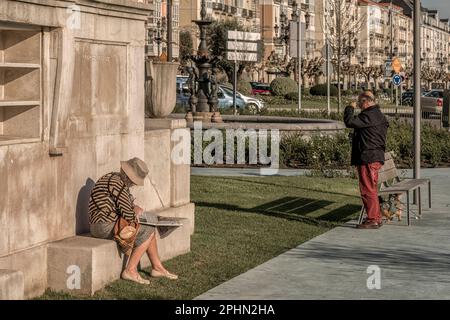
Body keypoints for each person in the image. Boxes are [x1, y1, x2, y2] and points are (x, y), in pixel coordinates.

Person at [89, 157, 178, 284]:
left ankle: (157, 268)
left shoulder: (116, 180)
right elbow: (128, 215)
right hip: (103, 226)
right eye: (133, 181)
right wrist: (134, 210)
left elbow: (125, 205)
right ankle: (130, 270)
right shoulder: (116, 183)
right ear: (128, 176)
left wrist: (134, 207)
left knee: (149, 228)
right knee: (149, 229)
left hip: (105, 223)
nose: (134, 184)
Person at [344, 91, 389, 229]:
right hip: (374, 156)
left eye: (359, 103)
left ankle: (373, 219)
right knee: (371, 188)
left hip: (368, 157)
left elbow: (349, 122)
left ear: (366, 101)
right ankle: (375, 216)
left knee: (367, 189)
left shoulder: (369, 115)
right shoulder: (378, 114)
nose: (358, 105)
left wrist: (349, 108)